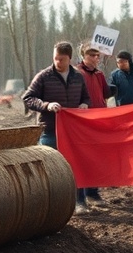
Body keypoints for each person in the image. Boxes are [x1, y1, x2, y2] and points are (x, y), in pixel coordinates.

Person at [23, 41, 90, 213]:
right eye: (55, 58)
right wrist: (46, 105)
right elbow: (28, 98)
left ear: (69, 58)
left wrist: (84, 104)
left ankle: (79, 202)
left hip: (73, 131)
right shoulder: (43, 76)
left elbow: (86, 97)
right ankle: (51, 207)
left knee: (75, 166)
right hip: (49, 130)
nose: (57, 62)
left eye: (61, 59)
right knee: (49, 168)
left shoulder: (78, 77)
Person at [76, 44, 112, 204]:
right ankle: (80, 198)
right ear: (83, 56)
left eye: (98, 56)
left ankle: (93, 193)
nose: (96, 58)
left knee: (96, 158)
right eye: (92, 55)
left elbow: (105, 93)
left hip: (99, 120)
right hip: (83, 122)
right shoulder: (77, 73)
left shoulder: (99, 74)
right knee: (82, 159)